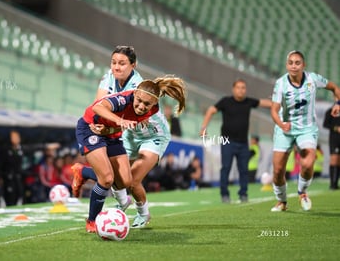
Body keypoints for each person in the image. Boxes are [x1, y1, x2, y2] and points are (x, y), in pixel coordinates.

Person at [72, 45, 175, 229]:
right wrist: (100, 124)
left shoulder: (139, 88)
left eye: (122, 63)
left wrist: (109, 127)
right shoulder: (108, 77)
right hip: (126, 132)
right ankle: (112, 202)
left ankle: (142, 214)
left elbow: (130, 118)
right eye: (113, 63)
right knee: (112, 178)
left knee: (132, 180)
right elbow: (99, 105)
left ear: (133, 65)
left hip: (151, 136)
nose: (116, 67)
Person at [270, 50, 340, 212]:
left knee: (308, 163)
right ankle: (282, 202)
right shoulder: (280, 83)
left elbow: (335, 88)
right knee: (278, 170)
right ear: (287, 65)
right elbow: (274, 110)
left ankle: (302, 192)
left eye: (297, 63)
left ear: (304, 65)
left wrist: (338, 104)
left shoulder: (312, 79)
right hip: (284, 128)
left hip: (306, 129)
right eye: (290, 63)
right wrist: (281, 124)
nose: (293, 66)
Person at [200, 79, 272, 203]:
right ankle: (224, 195)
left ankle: (243, 194)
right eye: (238, 87)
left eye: (243, 87)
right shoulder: (225, 101)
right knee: (226, 168)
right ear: (233, 89)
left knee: (244, 169)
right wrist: (204, 127)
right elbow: (211, 110)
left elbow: (265, 103)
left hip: (243, 142)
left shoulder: (248, 102)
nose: (241, 90)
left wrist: (278, 101)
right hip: (227, 141)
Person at [0, 130, 24, 206]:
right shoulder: (5, 150)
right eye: (14, 137)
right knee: (10, 197)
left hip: (17, 178)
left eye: (17, 137)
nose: (17, 139)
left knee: (19, 195)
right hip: (8, 178)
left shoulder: (19, 150)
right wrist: (0, 177)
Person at [323, 105, 340, 189]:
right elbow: (325, 124)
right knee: (334, 160)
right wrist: (336, 128)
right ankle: (333, 184)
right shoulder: (330, 110)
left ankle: (336, 183)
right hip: (335, 139)